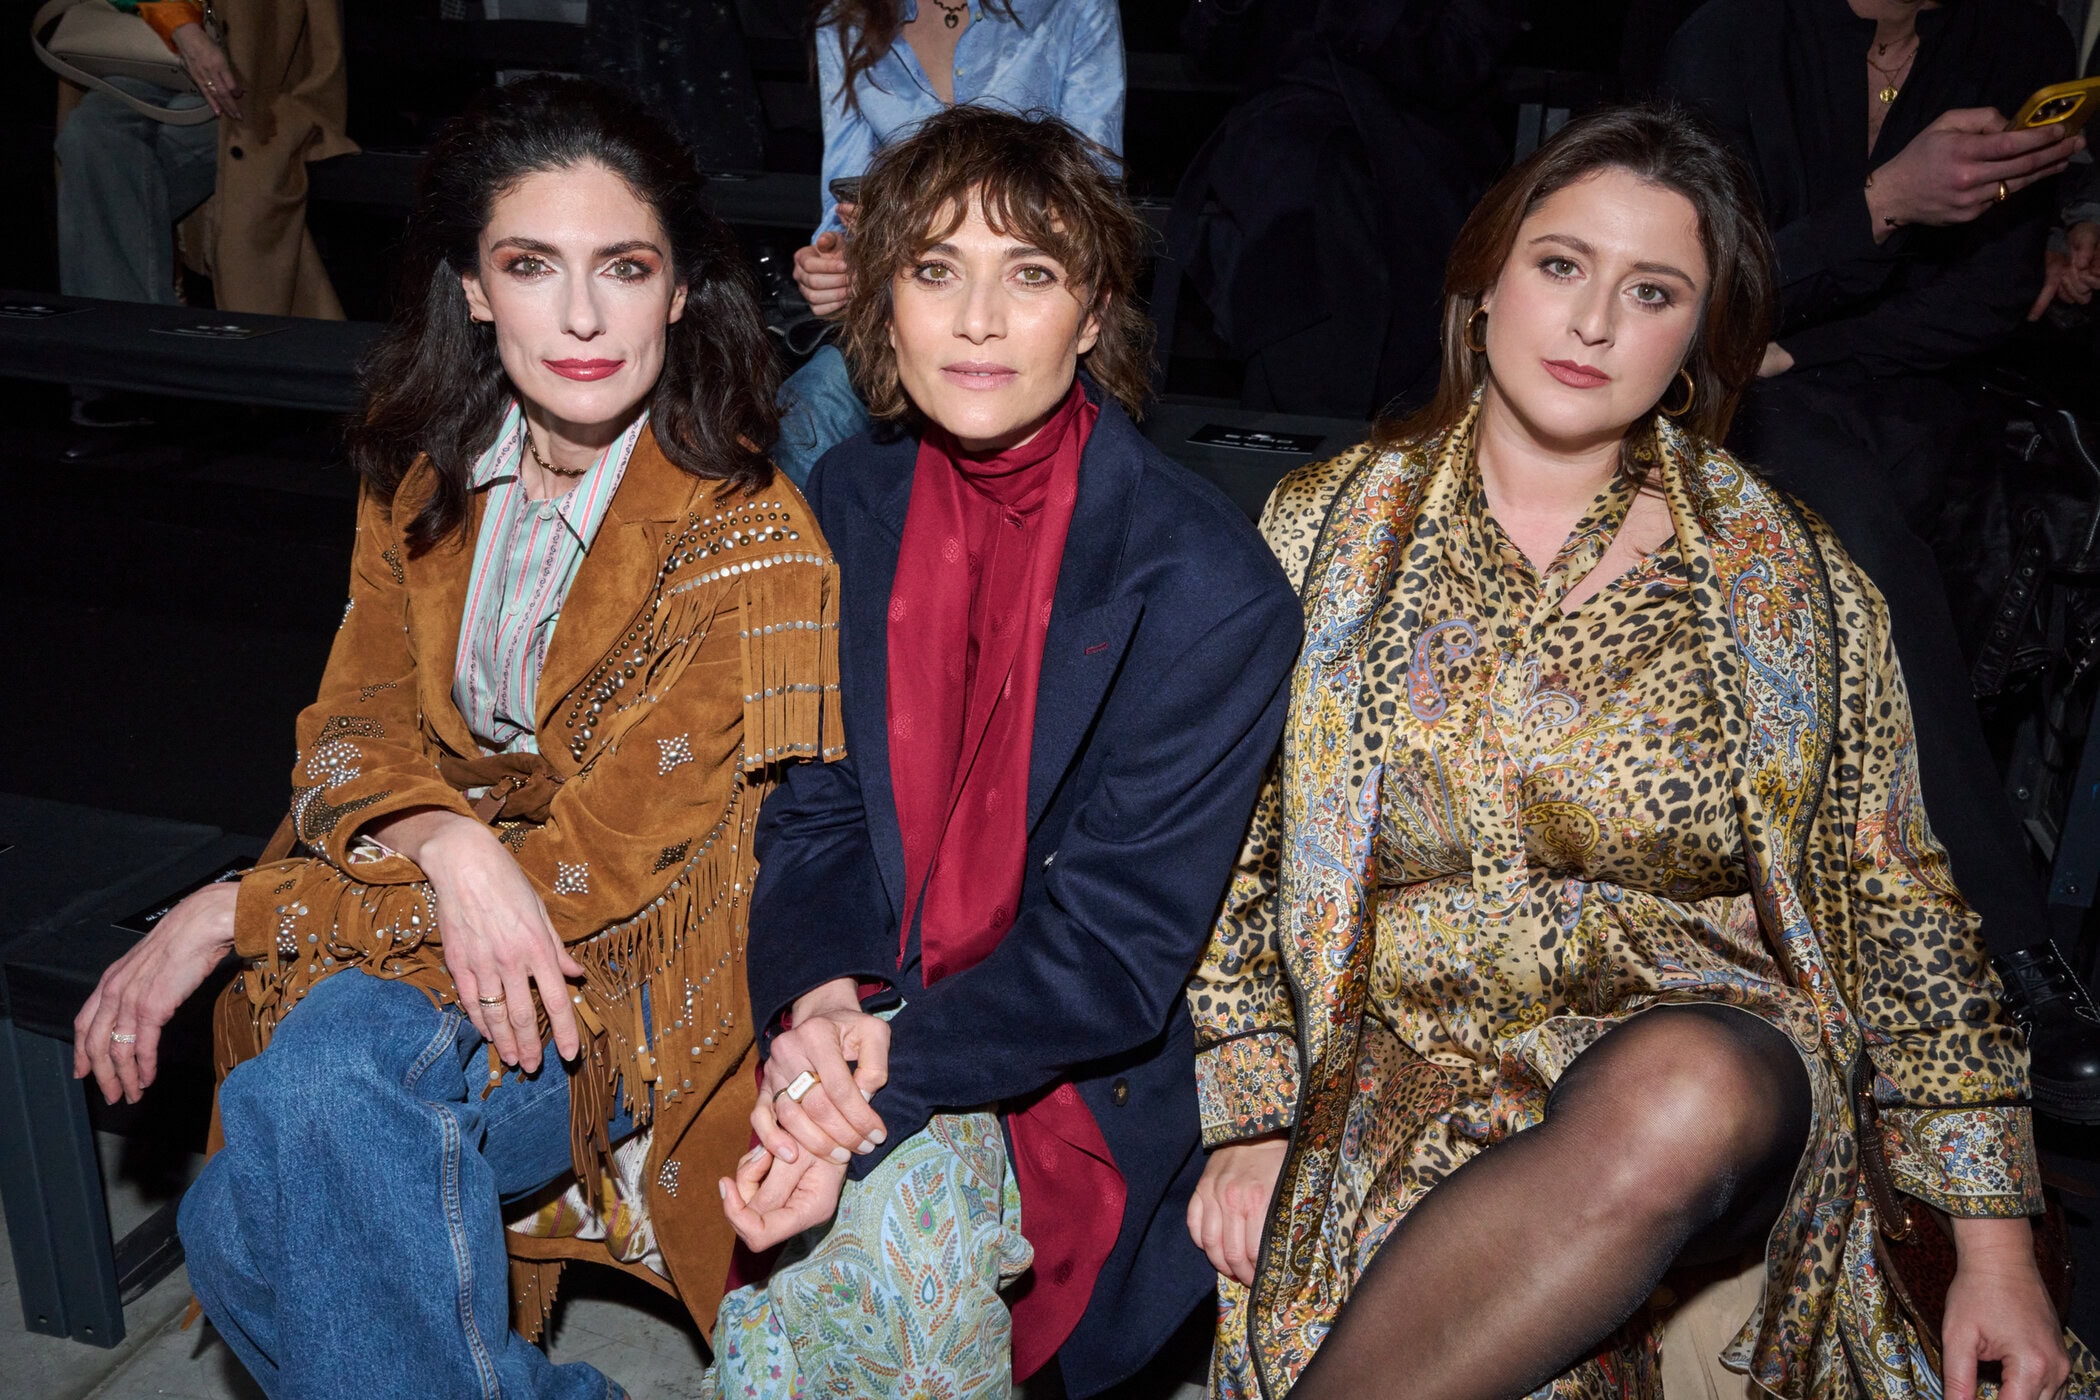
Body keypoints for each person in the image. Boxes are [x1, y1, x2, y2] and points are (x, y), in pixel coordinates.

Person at [1187, 105, 2087, 1400]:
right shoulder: (1329, 533)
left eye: (1653, 291)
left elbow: (1901, 904)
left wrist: (1996, 1248)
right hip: (1407, 1077)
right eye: (1562, 264)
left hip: (1718, 1086)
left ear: (1697, 341)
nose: (1596, 321)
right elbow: (1236, 847)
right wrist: (1253, 1114)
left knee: (1678, 1090)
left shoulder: (1789, 580)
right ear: (1484, 285)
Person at [70, 77, 837, 1397]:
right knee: (262, 1189)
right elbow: (352, 720)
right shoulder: (423, 470)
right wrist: (444, 840)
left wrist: (243, 910)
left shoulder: (749, 543)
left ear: (677, 291)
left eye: (625, 267)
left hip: (624, 981)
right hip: (428, 911)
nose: (583, 317)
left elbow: (597, 875)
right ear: (476, 290)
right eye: (533, 266)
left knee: (283, 1140)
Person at [711, 105, 1301, 1398]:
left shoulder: (1208, 587)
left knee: (880, 1228)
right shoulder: (847, 498)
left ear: (1093, 315)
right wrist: (822, 1002)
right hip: (863, 998)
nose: (977, 321)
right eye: (937, 270)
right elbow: (815, 808)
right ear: (886, 302)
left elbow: (1113, 954)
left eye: (1029, 273)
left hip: (1062, 1061)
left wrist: (872, 1080)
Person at [1661, 0, 2100, 1121]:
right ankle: (2011, 947)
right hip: (1740, 394)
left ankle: (1900, 950)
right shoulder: (1733, 34)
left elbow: (1988, 297)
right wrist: (1883, 204)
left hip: (1896, 388)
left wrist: (1803, 346)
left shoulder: (2017, 40)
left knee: (1953, 511)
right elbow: (1696, 279)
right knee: (1867, 545)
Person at [773, 0, 1126, 485]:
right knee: (809, 413)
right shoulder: (849, 14)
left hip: (1031, 294)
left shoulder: (1072, 7)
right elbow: (845, 197)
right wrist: (833, 262)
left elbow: (1092, 197)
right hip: (909, 291)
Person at [1165, 0, 1519, 419]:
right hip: (1278, 139)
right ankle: (1304, 422)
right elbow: (1214, 50)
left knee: (1332, 206)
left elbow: (1456, 60)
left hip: (1408, 145)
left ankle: (1313, 420)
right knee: (1295, 205)